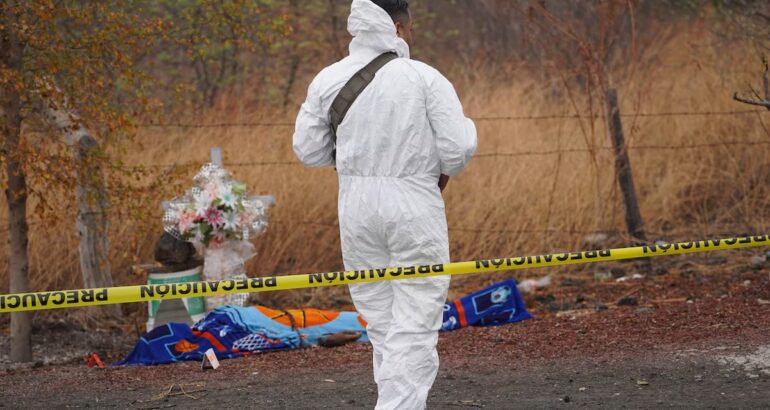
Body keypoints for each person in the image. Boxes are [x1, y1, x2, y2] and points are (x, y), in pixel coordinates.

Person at [292, 0, 476, 408]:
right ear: (396, 27)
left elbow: (308, 151)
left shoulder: (327, 79)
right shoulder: (424, 78)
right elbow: (458, 151)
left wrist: (358, 157)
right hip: (413, 203)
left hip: (355, 207)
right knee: (415, 323)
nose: (411, 35)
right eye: (409, 28)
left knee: (382, 323)